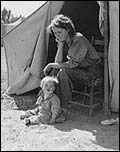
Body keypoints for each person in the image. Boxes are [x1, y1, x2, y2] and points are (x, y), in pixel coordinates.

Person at [43, 14, 102, 109]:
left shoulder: (78, 39)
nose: (57, 35)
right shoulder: (65, 40)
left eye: (59, 32)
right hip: (80, 69)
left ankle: (62, 107)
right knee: (56, 70)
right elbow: (58, 62)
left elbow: (71, 64)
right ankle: (49, 103)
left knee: (63, 71)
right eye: (55, 33)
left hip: (92, 71)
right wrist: (61, 46)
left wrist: (50, 65)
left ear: (68, 29)